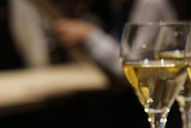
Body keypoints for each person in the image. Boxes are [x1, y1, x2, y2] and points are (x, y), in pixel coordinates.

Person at [10, 0, 178, 77]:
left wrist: (89, 34)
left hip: (163, 109)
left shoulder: (151, 4)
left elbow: (135, 66)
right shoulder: (114, 6)